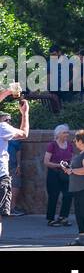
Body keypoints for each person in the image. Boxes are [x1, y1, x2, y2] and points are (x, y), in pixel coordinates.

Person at [0, 97, 30, 240]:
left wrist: (6, 92)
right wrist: (25, 114)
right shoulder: (2, 128)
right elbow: (24, 133)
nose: (9, 123)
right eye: (7, 120)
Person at [43, 124, 74, 227]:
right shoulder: (52, 145)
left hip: (66, 173)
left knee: (68, 195)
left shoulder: (69, 145)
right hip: (54, 173)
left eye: (67, 132)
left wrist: (71, 166)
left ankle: (63, 217)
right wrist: (58, 165)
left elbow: (71, 159)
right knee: (54, 196)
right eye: (65, 132)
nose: (67, 134)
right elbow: (46, 162)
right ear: (58, 134)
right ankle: (50, 219)